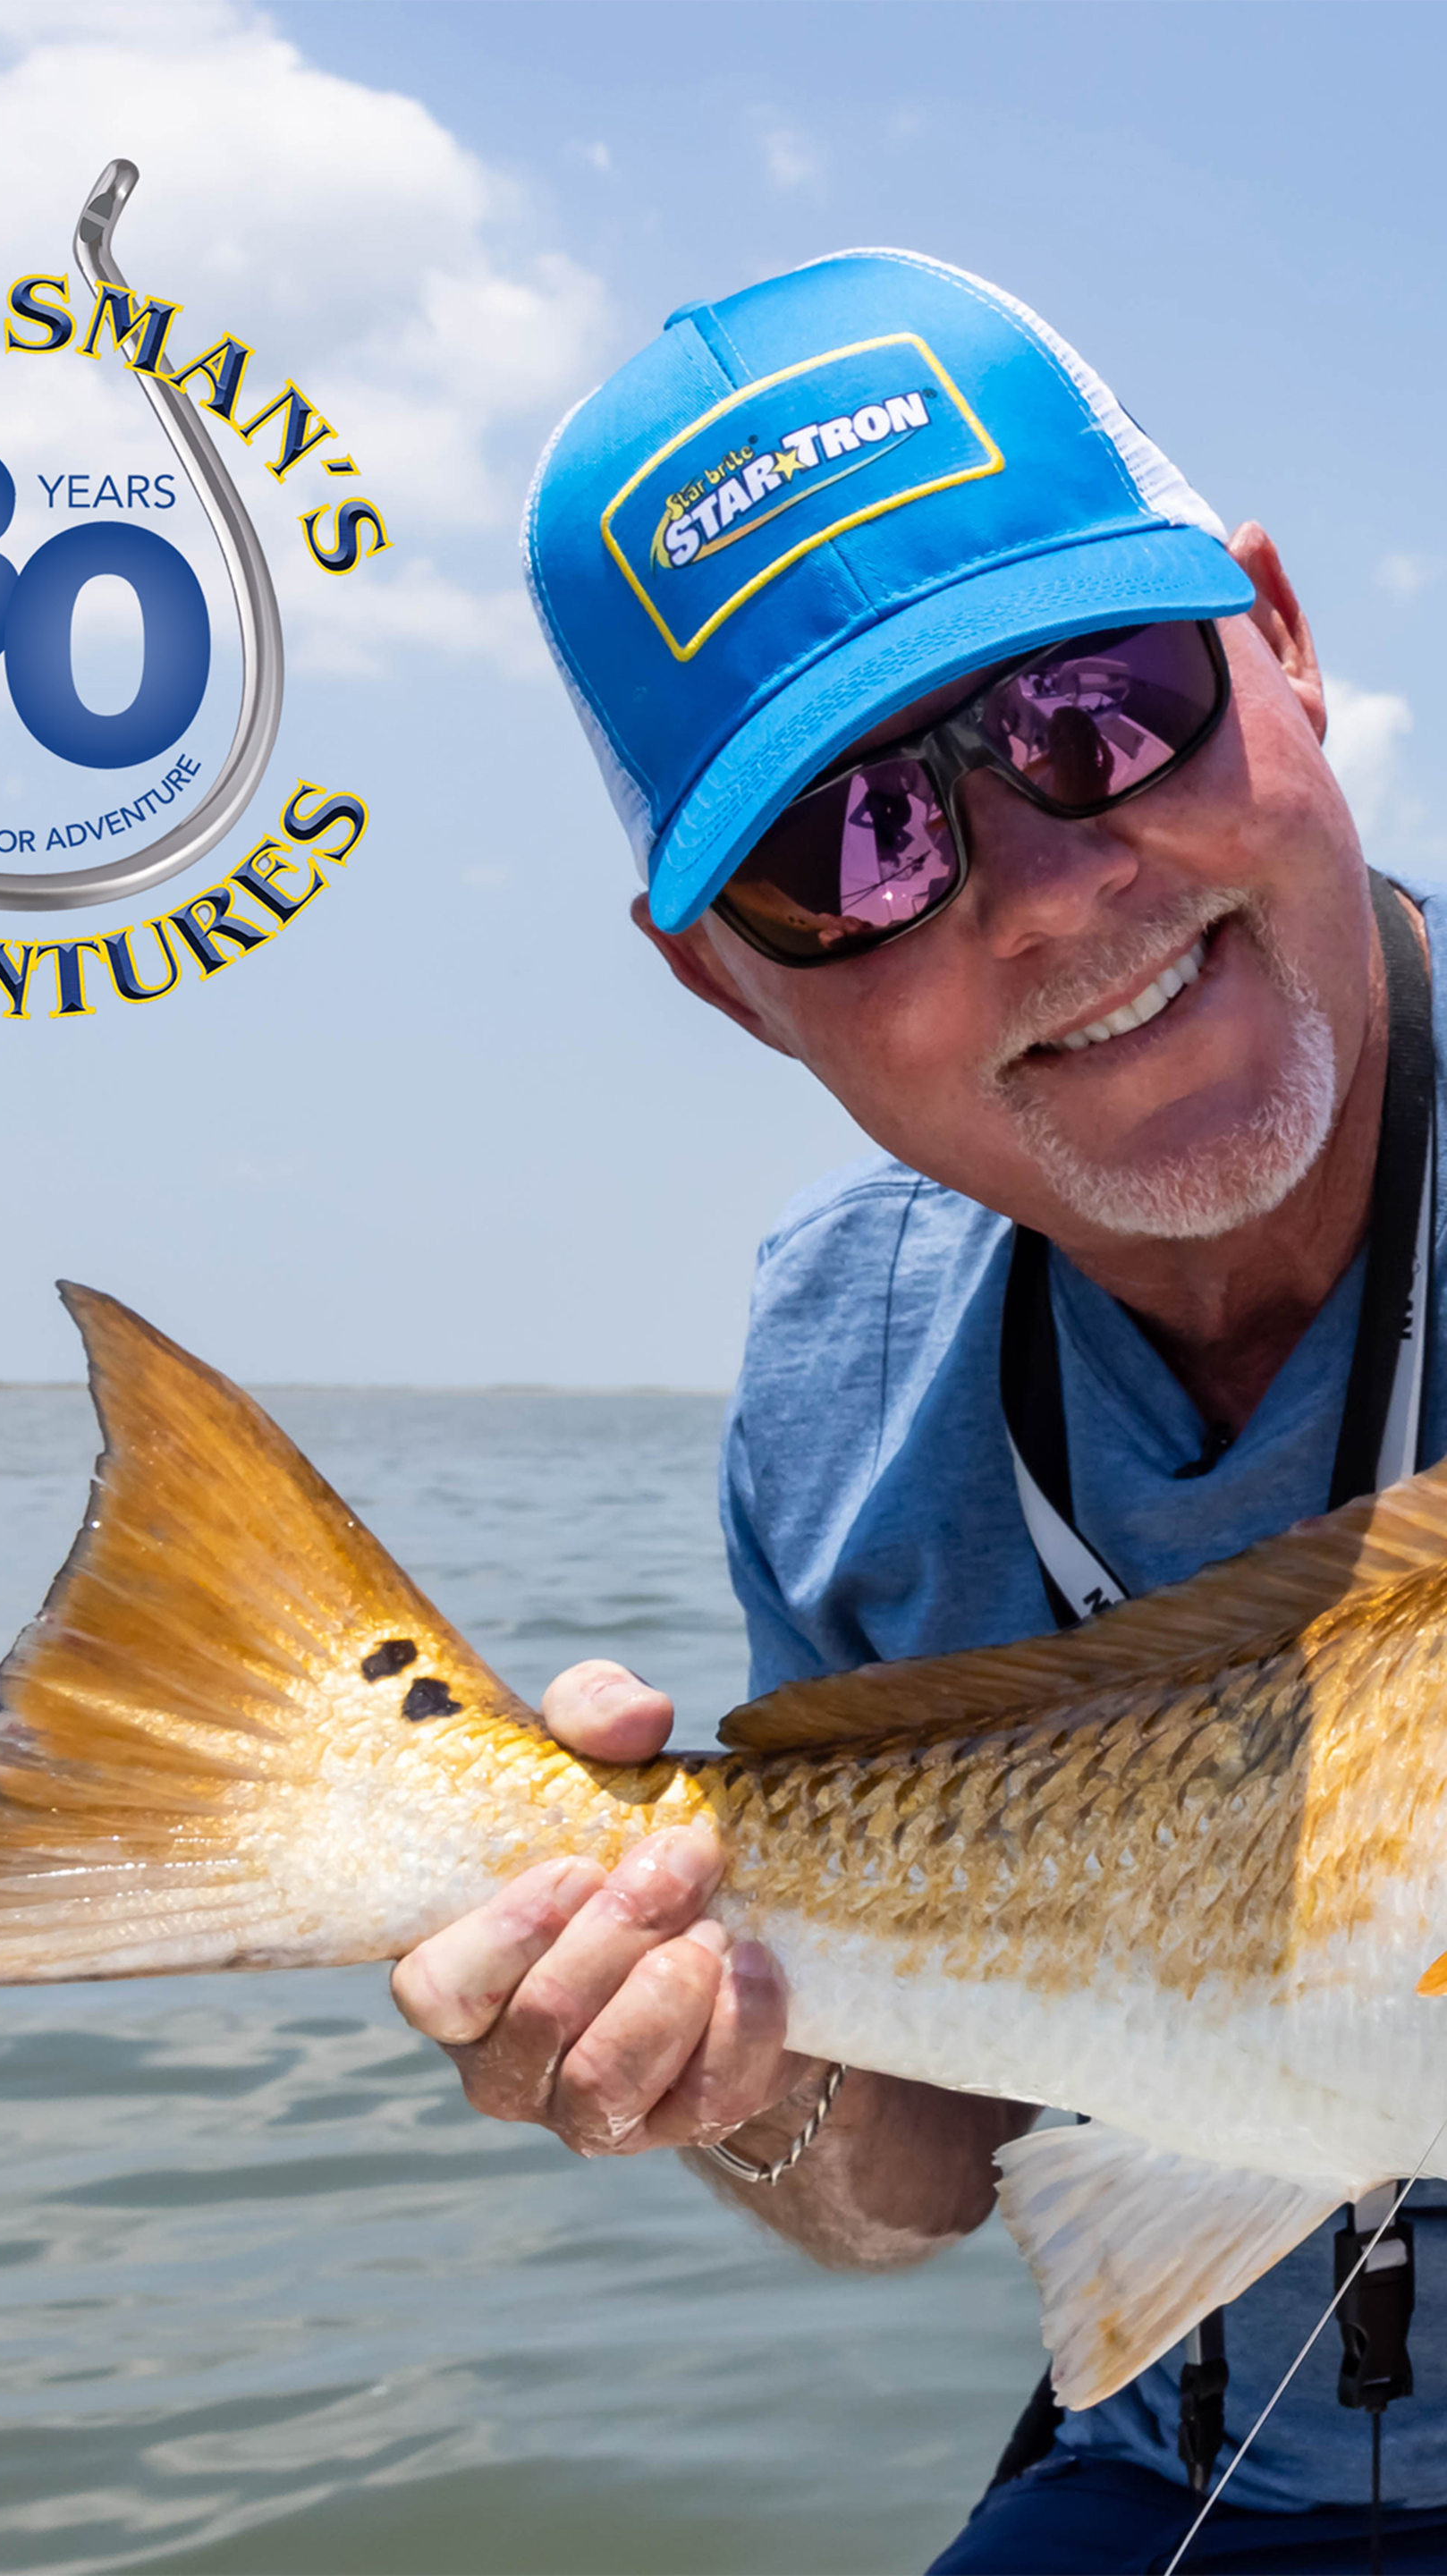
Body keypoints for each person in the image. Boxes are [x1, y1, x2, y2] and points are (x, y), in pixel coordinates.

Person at [389, 251, 1446, 2572]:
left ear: (1280, 641)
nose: (1052, 893)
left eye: (1105, 706)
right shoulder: (840, 1375)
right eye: (855, 848)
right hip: (1190, 2469)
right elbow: (928, 2165)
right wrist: (727, 2069)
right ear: (725, 985)